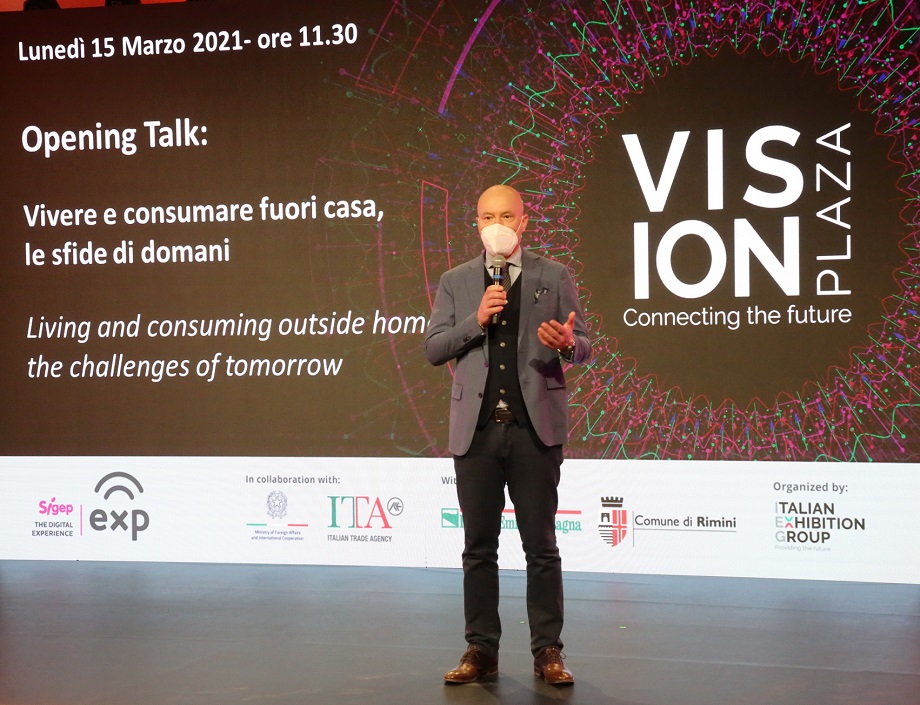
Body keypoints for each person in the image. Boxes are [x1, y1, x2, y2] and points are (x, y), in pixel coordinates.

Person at [424, 184, 592, 685]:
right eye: (486, 216)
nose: (496, 224)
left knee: (541, 546)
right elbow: (434, 348)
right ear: (476, 223)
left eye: (505, 216)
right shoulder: (456, 281)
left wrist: (569, 344)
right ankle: (481, 649)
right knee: (478, 547)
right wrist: (476, 320)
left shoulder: (553, 275)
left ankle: (548, 651)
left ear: (523, 221)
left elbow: (585, 345)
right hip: (475, 433)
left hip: (533, 430)